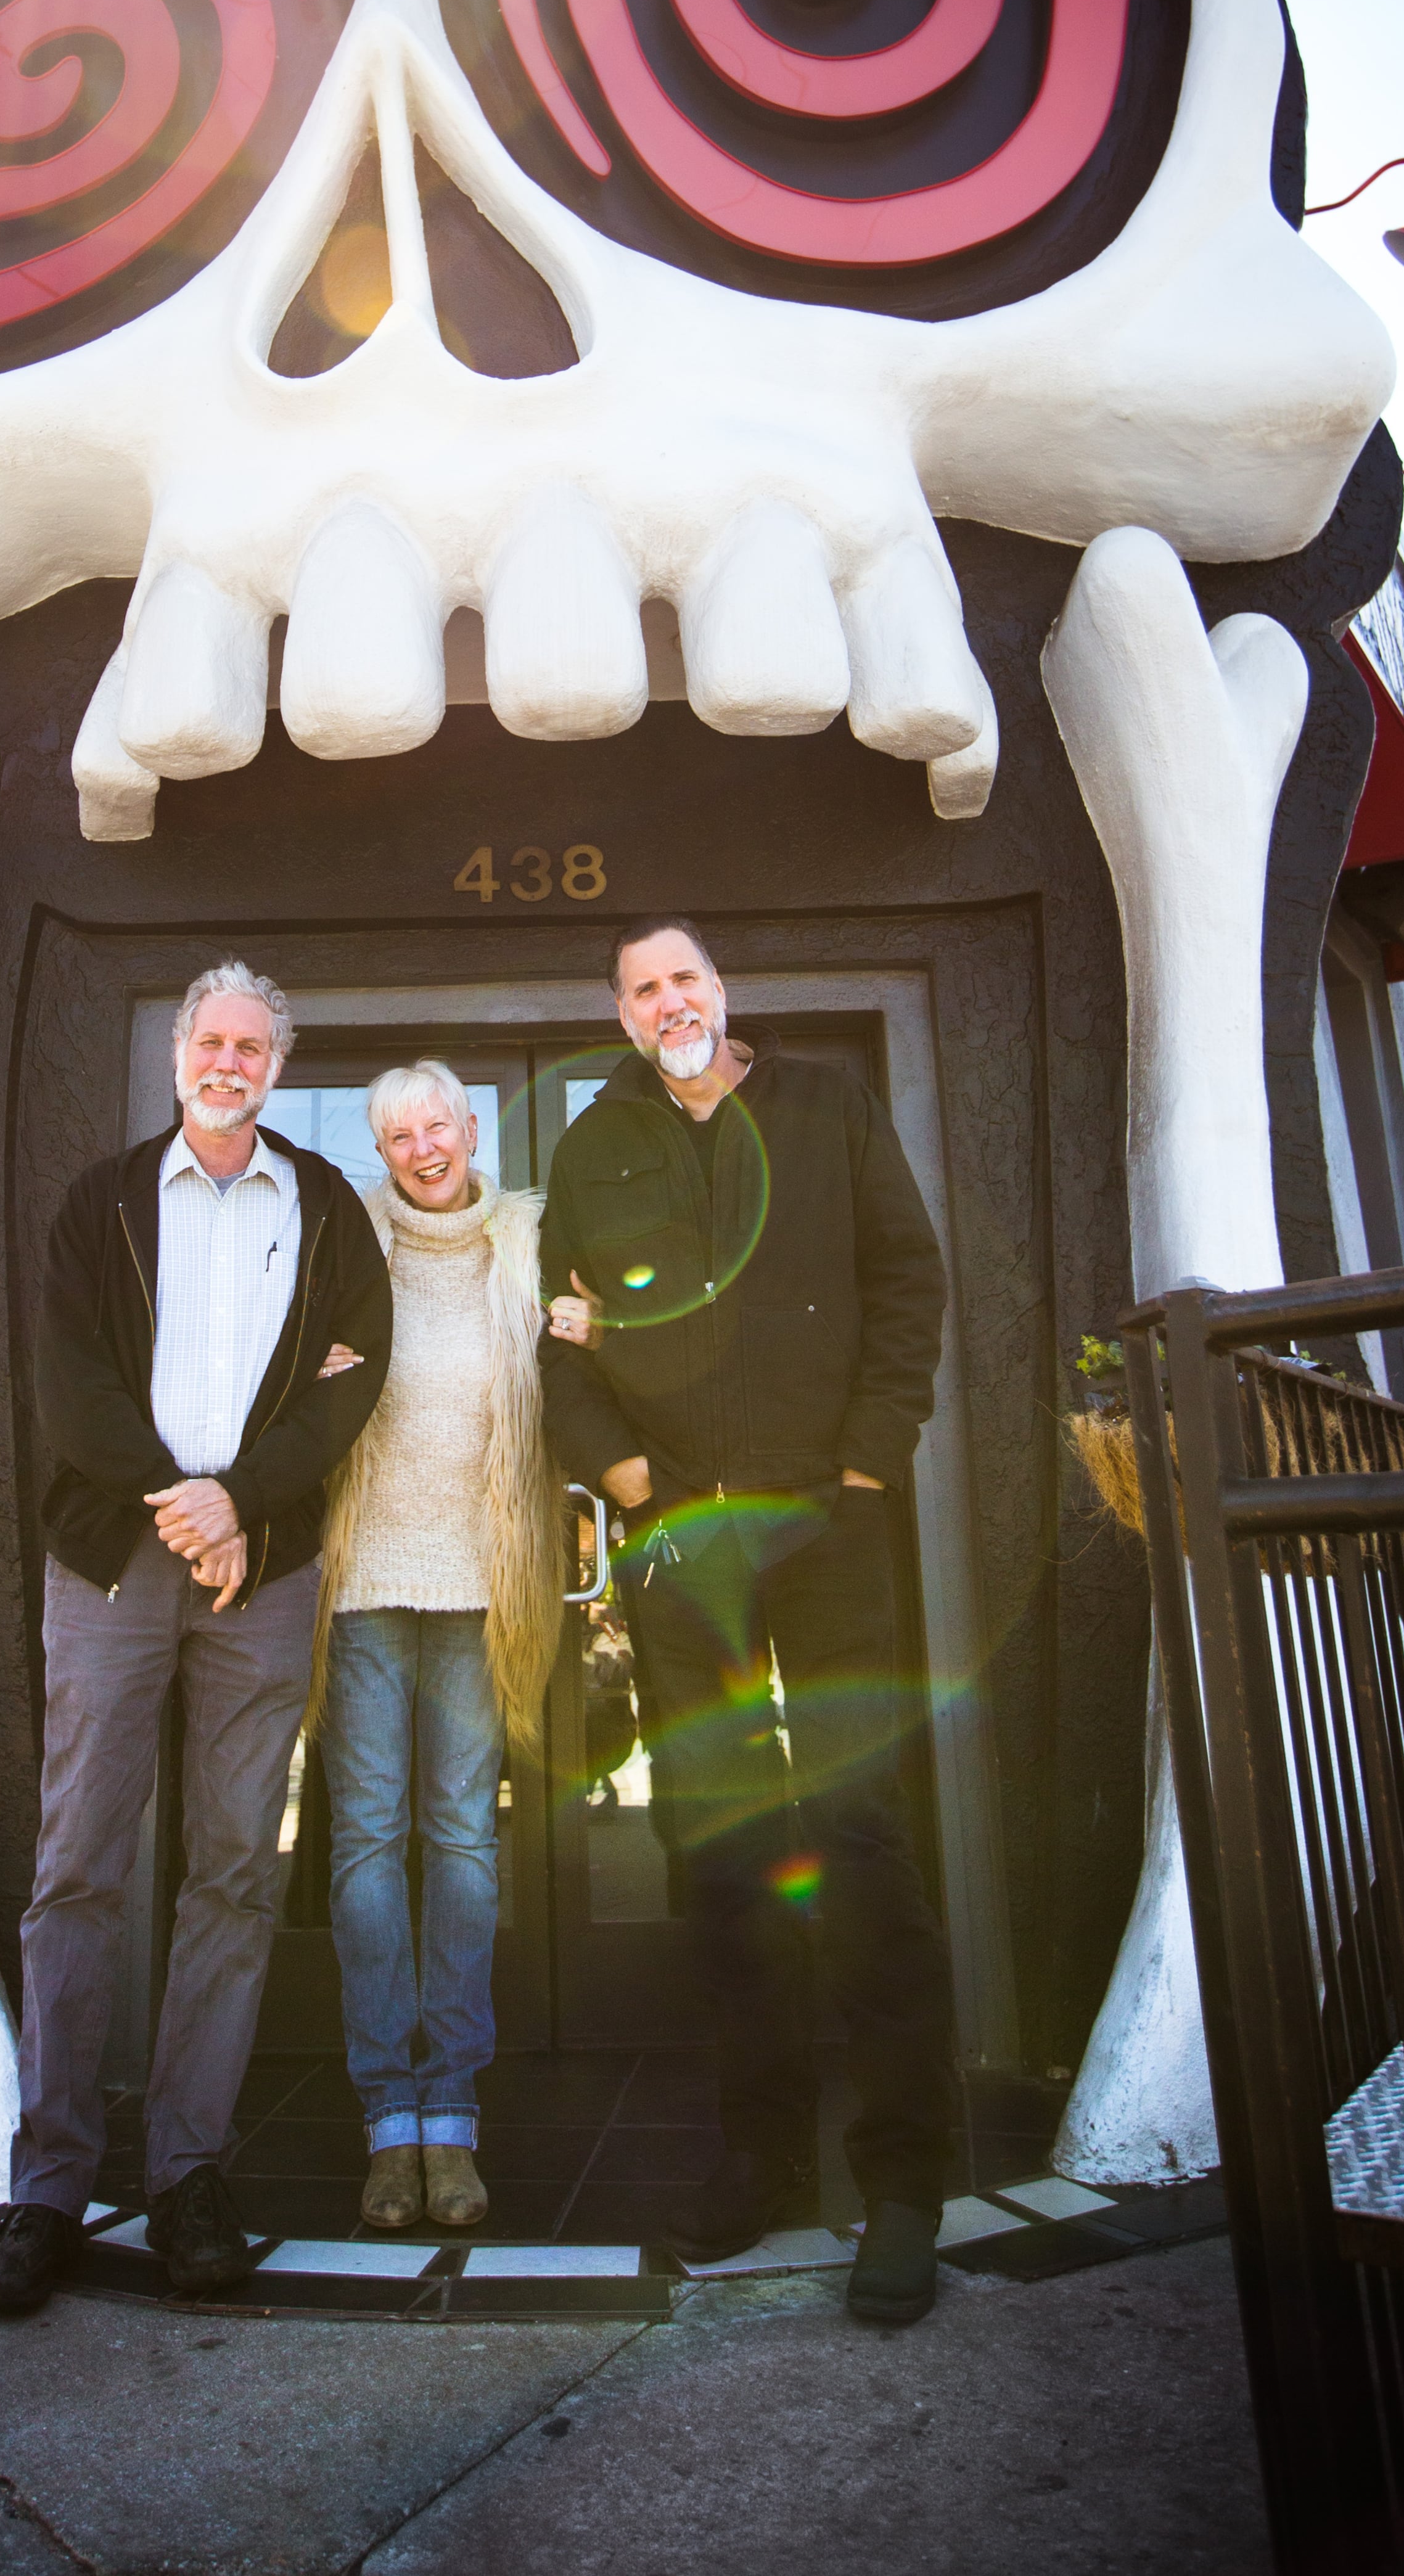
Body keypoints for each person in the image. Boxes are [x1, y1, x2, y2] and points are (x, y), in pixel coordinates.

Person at [540, 916, 958, 2328]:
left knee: (857, 1828)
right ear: (623, 1016)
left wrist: (867, 1456)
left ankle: (904, 2177)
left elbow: (911, 1281)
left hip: (825, 1525)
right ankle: (764, 2159)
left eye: (687, 979)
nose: (670, 1002)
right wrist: (629, 1477)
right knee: (718, 1848)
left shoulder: (831, 1106)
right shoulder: (594, 1148)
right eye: (644, 988)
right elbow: (566, 1341)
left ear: (723, 994)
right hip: (680, 1547)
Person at [0, 962, 393, 2316]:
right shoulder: (100, 1204)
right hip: (114, 1565)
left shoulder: (326, 1210)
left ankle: (191, 2172)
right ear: (177, 1057)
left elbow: (353, 1378)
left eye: (253, 1045)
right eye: (211, 1040)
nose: (229, 1061)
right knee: (78, 1865)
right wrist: (181, 1505)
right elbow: (71, 1383)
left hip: (257, 1575)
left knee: (233, 1873)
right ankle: (49, 2185)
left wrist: (242, 1505)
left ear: (278, 1064)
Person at [311, 1062, 561, 2233]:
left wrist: (594, 1321)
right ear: (381, 1148)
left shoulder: (528, 1241)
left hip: (476, 1585)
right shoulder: (345, 1246)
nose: (424, 1147)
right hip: (365, 1582)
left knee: (462, 1843)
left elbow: (592, 1346)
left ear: (473, 1128)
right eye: (398, 1133)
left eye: (439, 1124)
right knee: (366, 1844)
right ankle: (386, 2116)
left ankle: (450, 2118)